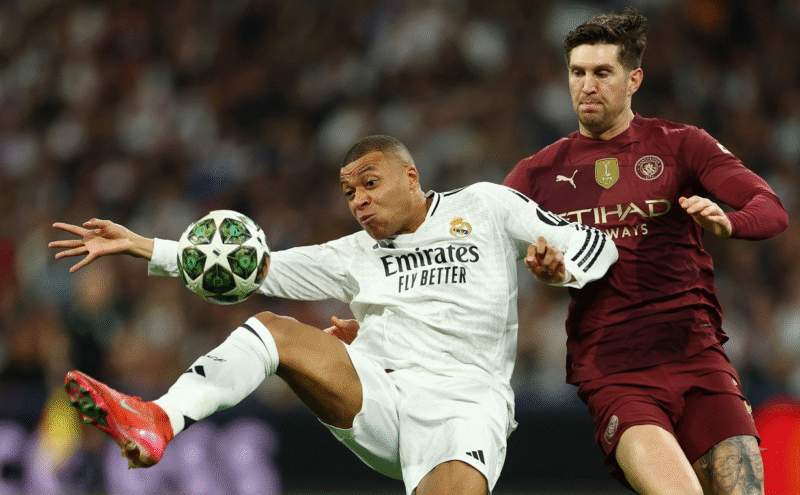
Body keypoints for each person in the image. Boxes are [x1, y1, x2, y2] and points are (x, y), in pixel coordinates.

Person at [50, 135, 618, 495]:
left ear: (412, 176)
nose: (359, 200)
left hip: (464, 406)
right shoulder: (352, 254)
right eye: (350, 193)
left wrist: (559, 269)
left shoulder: (485, 206)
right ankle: (159, 418)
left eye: (370, 183)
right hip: (380, 396)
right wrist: (144, 246)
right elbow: (254, 268)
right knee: (272, 330)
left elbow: (596, 247)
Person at [502, 8, 789, 495]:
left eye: (602, 72)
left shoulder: (681, 145)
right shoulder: (537, 173)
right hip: (617, 375)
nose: (587, 85)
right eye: (577, 72)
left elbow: (771, 208)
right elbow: (479, 247)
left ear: (633, 79)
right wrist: (546, 270)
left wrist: (729, 222)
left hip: (699, 360)